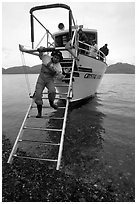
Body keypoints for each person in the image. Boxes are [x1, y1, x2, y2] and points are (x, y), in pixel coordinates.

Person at [33, 47, 64, 118]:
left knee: (52, 91)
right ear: (53, 56)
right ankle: (39, 112)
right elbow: (41, 55)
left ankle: (51, 103)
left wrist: (60, 76)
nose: (56, 59)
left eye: (58, 58)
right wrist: (40, 50)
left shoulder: (59, 67)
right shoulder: (46, 58)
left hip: (49, 80)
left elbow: (59, 76)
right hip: (41, 79)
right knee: (38, 95)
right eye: (55, 57)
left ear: (59, 60)